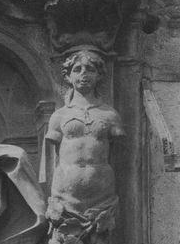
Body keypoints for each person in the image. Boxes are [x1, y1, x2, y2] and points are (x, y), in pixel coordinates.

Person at [45, 48, 125, 217]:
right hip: (65, 194)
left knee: (104, 242)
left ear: (99, 76)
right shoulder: (59, 116)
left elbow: (118, 153)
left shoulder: (110, 115)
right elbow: (52, 155)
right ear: (68, 76)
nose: (84, 74)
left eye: (90, 70)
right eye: (77, 70)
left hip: (102, 193)